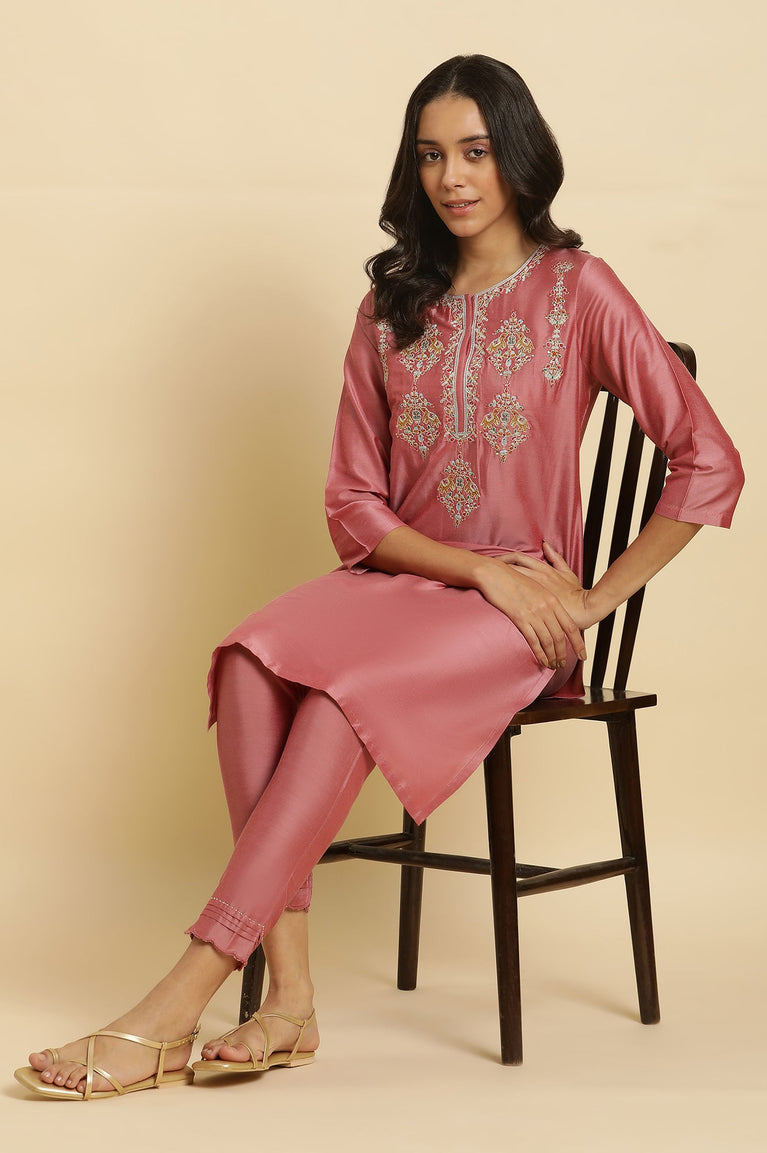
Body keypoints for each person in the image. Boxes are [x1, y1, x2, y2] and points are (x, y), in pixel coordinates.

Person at [15, 54, 743, 1099]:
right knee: (245, 662)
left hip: (519, 623)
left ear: (516, 155)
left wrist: (587, 599)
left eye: (475, 152)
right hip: (408, 589)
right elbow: (352, 507)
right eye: (432, 155)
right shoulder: (389, 306)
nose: (453, 178)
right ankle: (288, 1002)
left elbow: (708, 457)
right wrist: (476, 569)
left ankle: (178, 998)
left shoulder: (578, 289)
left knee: (336, 697)